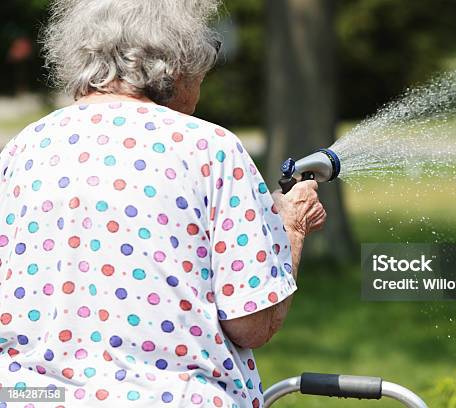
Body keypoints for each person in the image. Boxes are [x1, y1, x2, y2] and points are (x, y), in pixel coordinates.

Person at [0, 1, 326, 406]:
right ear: (176, 64)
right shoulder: (210, 148)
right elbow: (252, 324)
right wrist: (290, 226)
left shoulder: (24, 148)